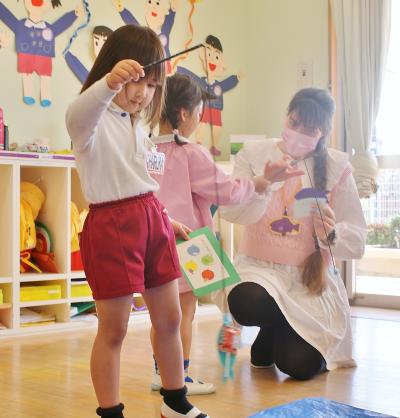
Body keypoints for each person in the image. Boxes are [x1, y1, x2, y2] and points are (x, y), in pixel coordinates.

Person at [66, 25, 209, 418]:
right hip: (112, 227)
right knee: (113, 328)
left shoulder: (137, 125)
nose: (140, 92)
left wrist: (167, 218)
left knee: (170, 317)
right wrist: (110, 83)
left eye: (149, 84)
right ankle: (111, 412)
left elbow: (142, 182)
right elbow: (79, 111)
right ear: (111, 71)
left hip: (150, 218)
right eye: (134, 80)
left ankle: (175, 402)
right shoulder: (89, 119)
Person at [150, 73, 304, 395]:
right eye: (198, 114)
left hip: (153, 240)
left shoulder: (148, 150)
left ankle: (160, 371)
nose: (198, 121)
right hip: (188, 243)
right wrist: (260, 183)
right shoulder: (192, 153)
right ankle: (179, 377)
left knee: (162, 317)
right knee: (184, 315)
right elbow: (227, 192)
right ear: (183, 113)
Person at [218, 88, 367, 380]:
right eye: (294, 122)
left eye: (309, 129)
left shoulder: (337, 167)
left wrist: (331, 233)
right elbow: (232, 212)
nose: (298, 132)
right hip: (259, 269)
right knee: (244, 300)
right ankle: (272, 330)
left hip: (309, 279)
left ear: (322, 133)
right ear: (286, 117)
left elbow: (358, 239)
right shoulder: (254, 154)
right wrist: (263, 185)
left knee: (298, 365)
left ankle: (272, 336)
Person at [177, 35, 241, 156]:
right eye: (209, 54)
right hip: (205, 106)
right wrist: (179, 69)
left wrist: (236, 78)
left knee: (217, 126)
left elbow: (227, 84)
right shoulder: (200, 82)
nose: (212, 60)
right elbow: (191, 77)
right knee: (201, 123)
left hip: (216, 108)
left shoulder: (219, 86)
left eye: (216, 56)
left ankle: (214, 146)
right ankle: (199, 142)